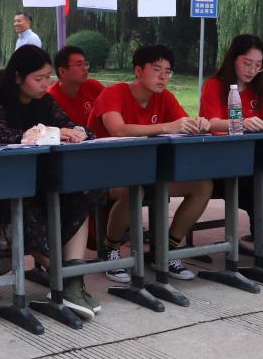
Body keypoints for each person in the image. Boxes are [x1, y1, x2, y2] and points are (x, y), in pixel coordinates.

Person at [0, 45, 99, 320]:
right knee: (31, 205)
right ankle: (65, 281)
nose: (45, 84)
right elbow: (3, 136)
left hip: (38, 182)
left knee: (80, 194)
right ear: (18, 77)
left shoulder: (46, 102)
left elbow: (76, 127)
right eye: (38, 78)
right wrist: (53, 132)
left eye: (47, 77)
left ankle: (73, 280)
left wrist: (76, 132)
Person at [88, 44, 212, 284]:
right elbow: (118, 130)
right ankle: (110, 249)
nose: (163, 76)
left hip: (149, 170)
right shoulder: (113, 93)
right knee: (133, 189)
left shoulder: (165, 97)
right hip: (104, 173)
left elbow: (183, 123)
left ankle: (166, 251)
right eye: (156, 69)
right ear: (138, 70)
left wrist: (199, 125)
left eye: (168, 71)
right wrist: (167, 126)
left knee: (203, 186)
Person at [200, 35, 263, 284]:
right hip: (226, 165)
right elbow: (210, 123)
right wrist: (241, 123)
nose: (252, 70)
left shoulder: (259, 88)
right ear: (233, 59)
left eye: (258, 65)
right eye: (247, 63)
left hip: (258, 160)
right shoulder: (214, 85)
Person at [46, 45, 105, 126]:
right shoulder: (50, 99)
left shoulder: (93, 86)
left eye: (85, 64)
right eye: (79, 64)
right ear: (62, 71)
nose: (85, 68)